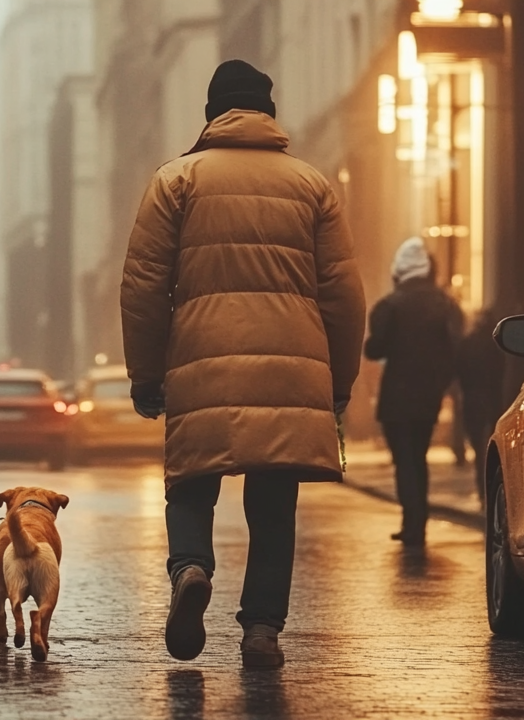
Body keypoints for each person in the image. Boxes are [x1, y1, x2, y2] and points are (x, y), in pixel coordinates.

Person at [120, 59, 366, 668]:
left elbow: (144, 287)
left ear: (211, 114)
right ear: (270, 113)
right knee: (274, 508)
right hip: (291, 368)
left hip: (201, 362)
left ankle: (192, 568)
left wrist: (146, 374)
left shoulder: (176, 181)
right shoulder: (312, 185)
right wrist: (341, 378)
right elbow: (342, 291)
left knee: (191, 487)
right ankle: (260, 630)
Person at [363, 237, 465, 547]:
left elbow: (374, 347)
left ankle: (412, 521)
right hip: (428, 394)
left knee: (404, 460)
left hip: (397, 394)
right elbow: (455, 346)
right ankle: (417, 520)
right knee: (418, 457)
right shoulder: (445, 304)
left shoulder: (390, 305)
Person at [455, 307, 508, 504]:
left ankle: (482, 489)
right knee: (491, 446)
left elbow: (459, 370)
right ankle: (490, 488)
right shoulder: (496, 345)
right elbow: (501, 372)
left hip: (472, 398)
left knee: (478, 446)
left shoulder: (467, 343)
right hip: (493, 398)